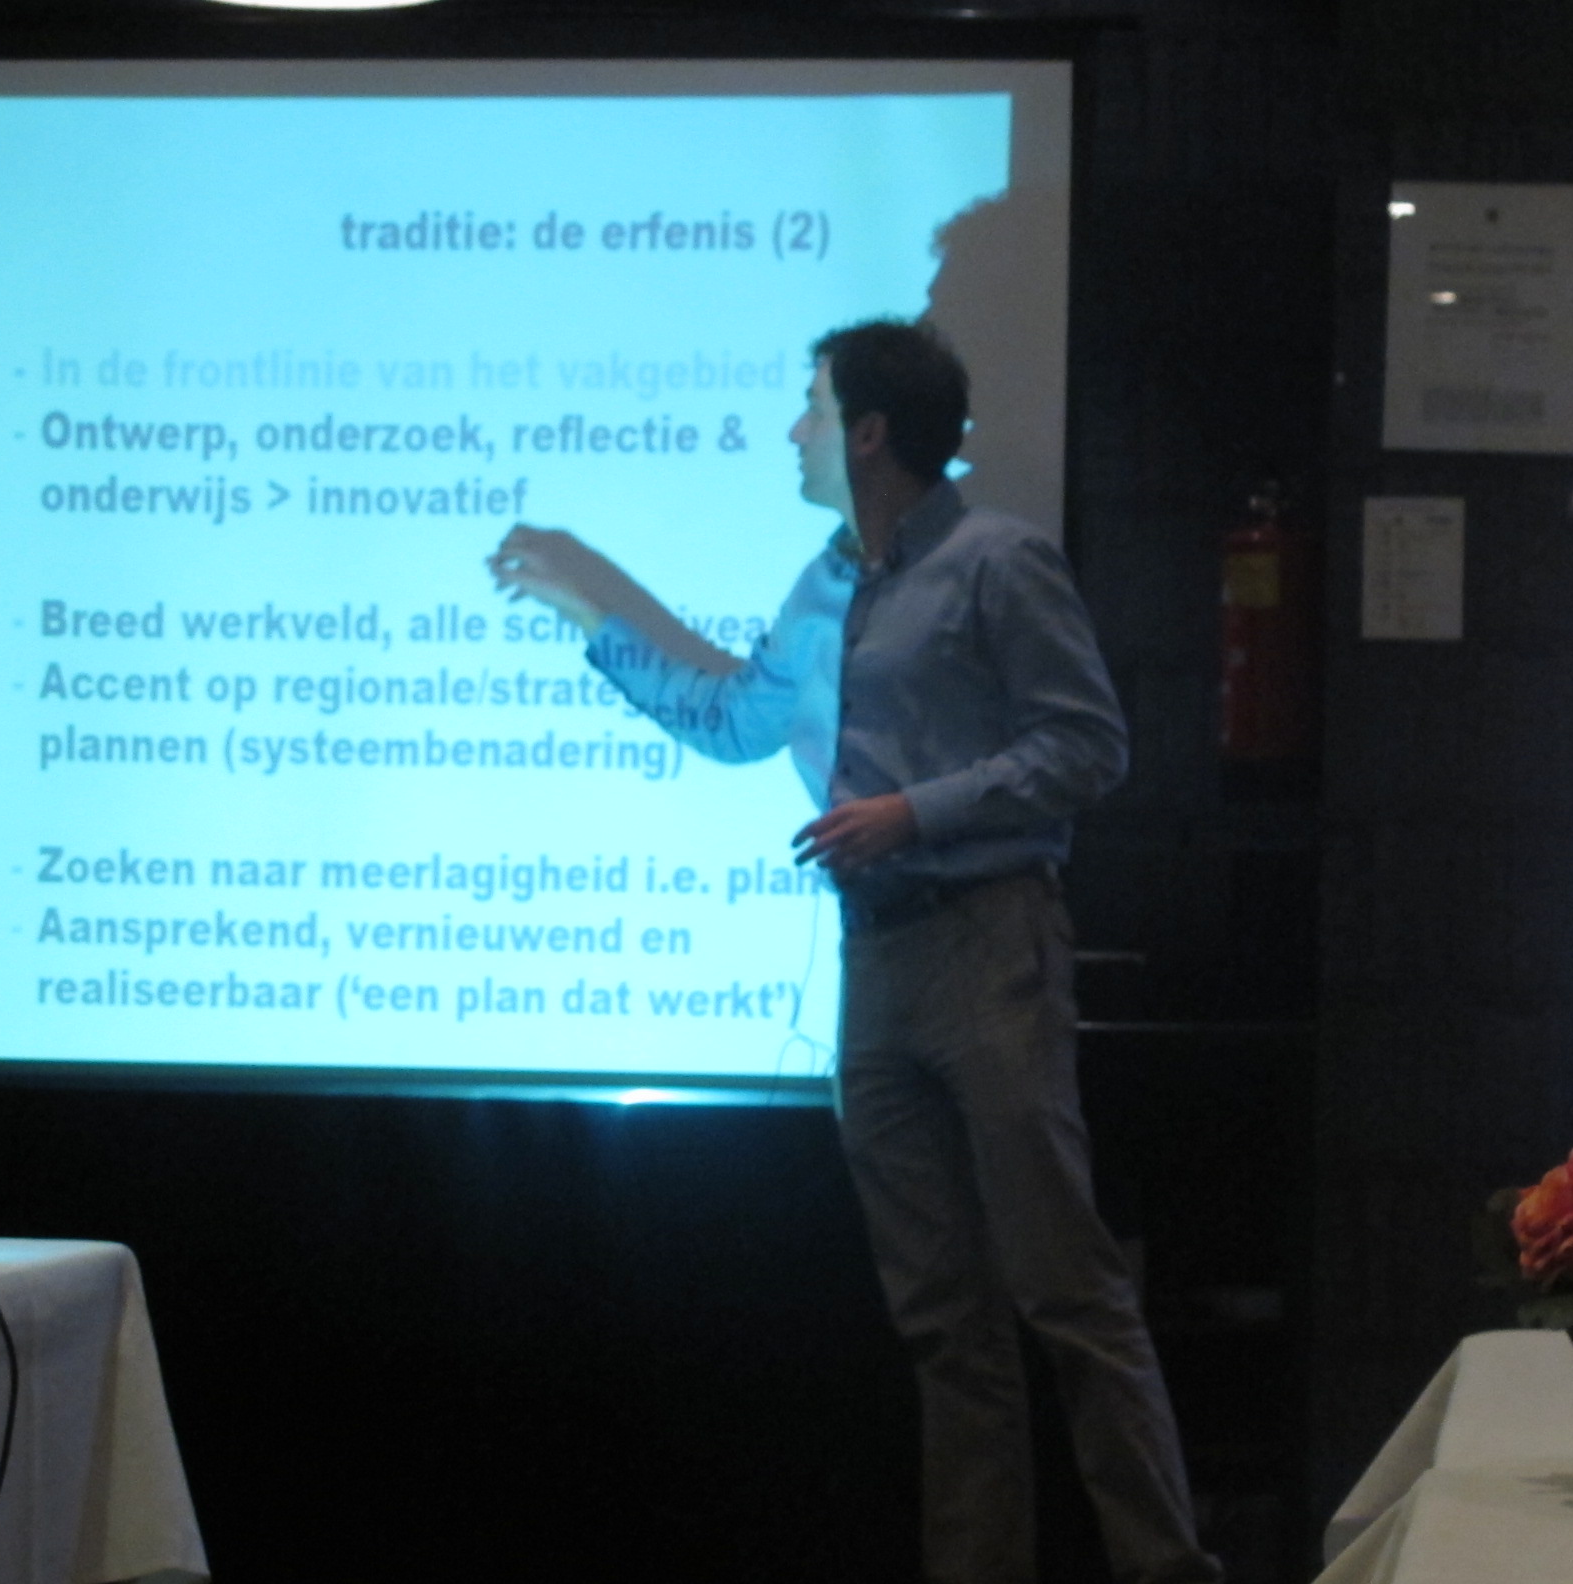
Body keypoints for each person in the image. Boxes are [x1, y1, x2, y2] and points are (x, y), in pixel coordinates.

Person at [490, 320, 1220, 1584]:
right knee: (941, 1319)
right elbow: (735, 721)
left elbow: (1087, 745)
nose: (794, 432)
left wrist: (911, 812)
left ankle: (1167, 1570)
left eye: (813, 409)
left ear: (870, 432)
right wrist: (592, 620)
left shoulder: (998, 561)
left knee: (1065, 1292)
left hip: (989, 945)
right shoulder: (823, 582)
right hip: (873, 967)